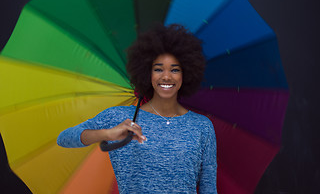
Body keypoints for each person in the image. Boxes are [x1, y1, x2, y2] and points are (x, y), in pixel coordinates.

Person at [57, 23, 218, 193]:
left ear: (186, 74)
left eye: (175, 70)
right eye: (158, 69)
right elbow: (64, 138)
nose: (166, 76)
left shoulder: (202, 126)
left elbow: (209, 188)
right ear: (147, 73)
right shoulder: (120, 117)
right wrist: (107, 133)